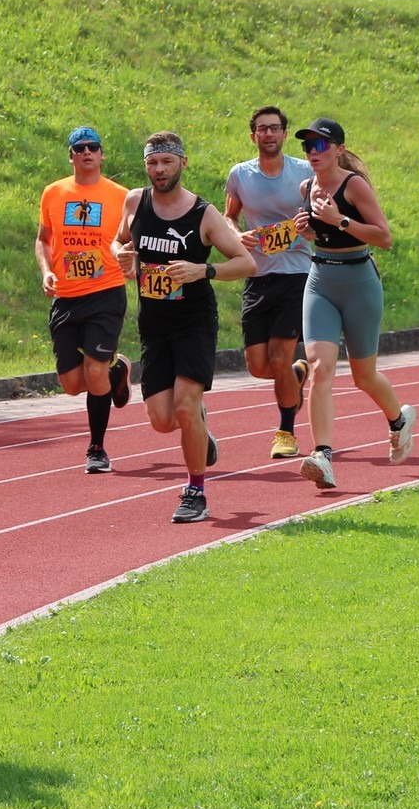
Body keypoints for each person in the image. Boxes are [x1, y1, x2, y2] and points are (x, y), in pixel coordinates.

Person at [113, 132, 256, 523]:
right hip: (153, 324)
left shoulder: (203, 214)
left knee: (185, 405)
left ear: (183, 163)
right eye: (153, 163)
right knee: (162, 421)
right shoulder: (135, 201)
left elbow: (246, 263)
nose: (159, 170)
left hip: (194, 322)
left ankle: (196, 492)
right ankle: (199, 428)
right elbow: (118, 242)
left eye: (167, 162)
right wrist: (122, 255)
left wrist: (202, 270)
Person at [291, 118, 416, 488]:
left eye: (321, 145)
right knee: (319, 367)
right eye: (308, 146)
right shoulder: (306, 187)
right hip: (320, 281)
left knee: (364, 376)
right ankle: (322, 456)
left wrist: (339, 219)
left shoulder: (354, 185)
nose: (313, 152)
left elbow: (384, 237)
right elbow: (321, 235)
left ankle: (399, 421)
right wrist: (309, 231)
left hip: (359, 283)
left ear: (339, 149)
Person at [35, 125, 133, 473]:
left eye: (93, 146)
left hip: (106, 292)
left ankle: (96, 448)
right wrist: (47, 271)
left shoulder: (122, 196)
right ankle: (117, 371)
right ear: (71, 156)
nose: (87, 152)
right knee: (72, 385)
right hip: (66, 296)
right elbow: (43, 239)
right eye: (80, 148)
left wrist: (131, 261)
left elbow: (134, 239)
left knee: (93, 372)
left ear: (102, 154)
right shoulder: (54, 192)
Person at [224, 106, 313, 458]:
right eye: (262, 129)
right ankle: (296, 375)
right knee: (259, 366)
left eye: (275, 128)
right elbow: (229, 216)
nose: (269, 134)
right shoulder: (240, 175)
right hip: (257, 276)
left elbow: (323, 210)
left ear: (285, 134)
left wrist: (310, 225)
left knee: (278, 357)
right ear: (253, 136)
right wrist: (237, 236)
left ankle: (286, 432)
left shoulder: (304, 172)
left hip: (297, 274)